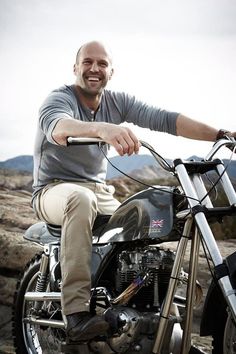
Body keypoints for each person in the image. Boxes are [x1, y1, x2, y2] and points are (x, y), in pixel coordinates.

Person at [32, 40, 236, 342]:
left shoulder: (117, 101)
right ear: (75, 67)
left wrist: (220, 134)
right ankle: (75, 313)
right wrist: (104, 129)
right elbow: (58, 127)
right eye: (87, 62)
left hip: (97, 190)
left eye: (102, 64)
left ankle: (143, 307)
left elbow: (164, 118)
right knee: (80, 198)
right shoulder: (58, 99)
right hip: (54, 190)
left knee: (149, 218)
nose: (94, 69)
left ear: (110, 72)